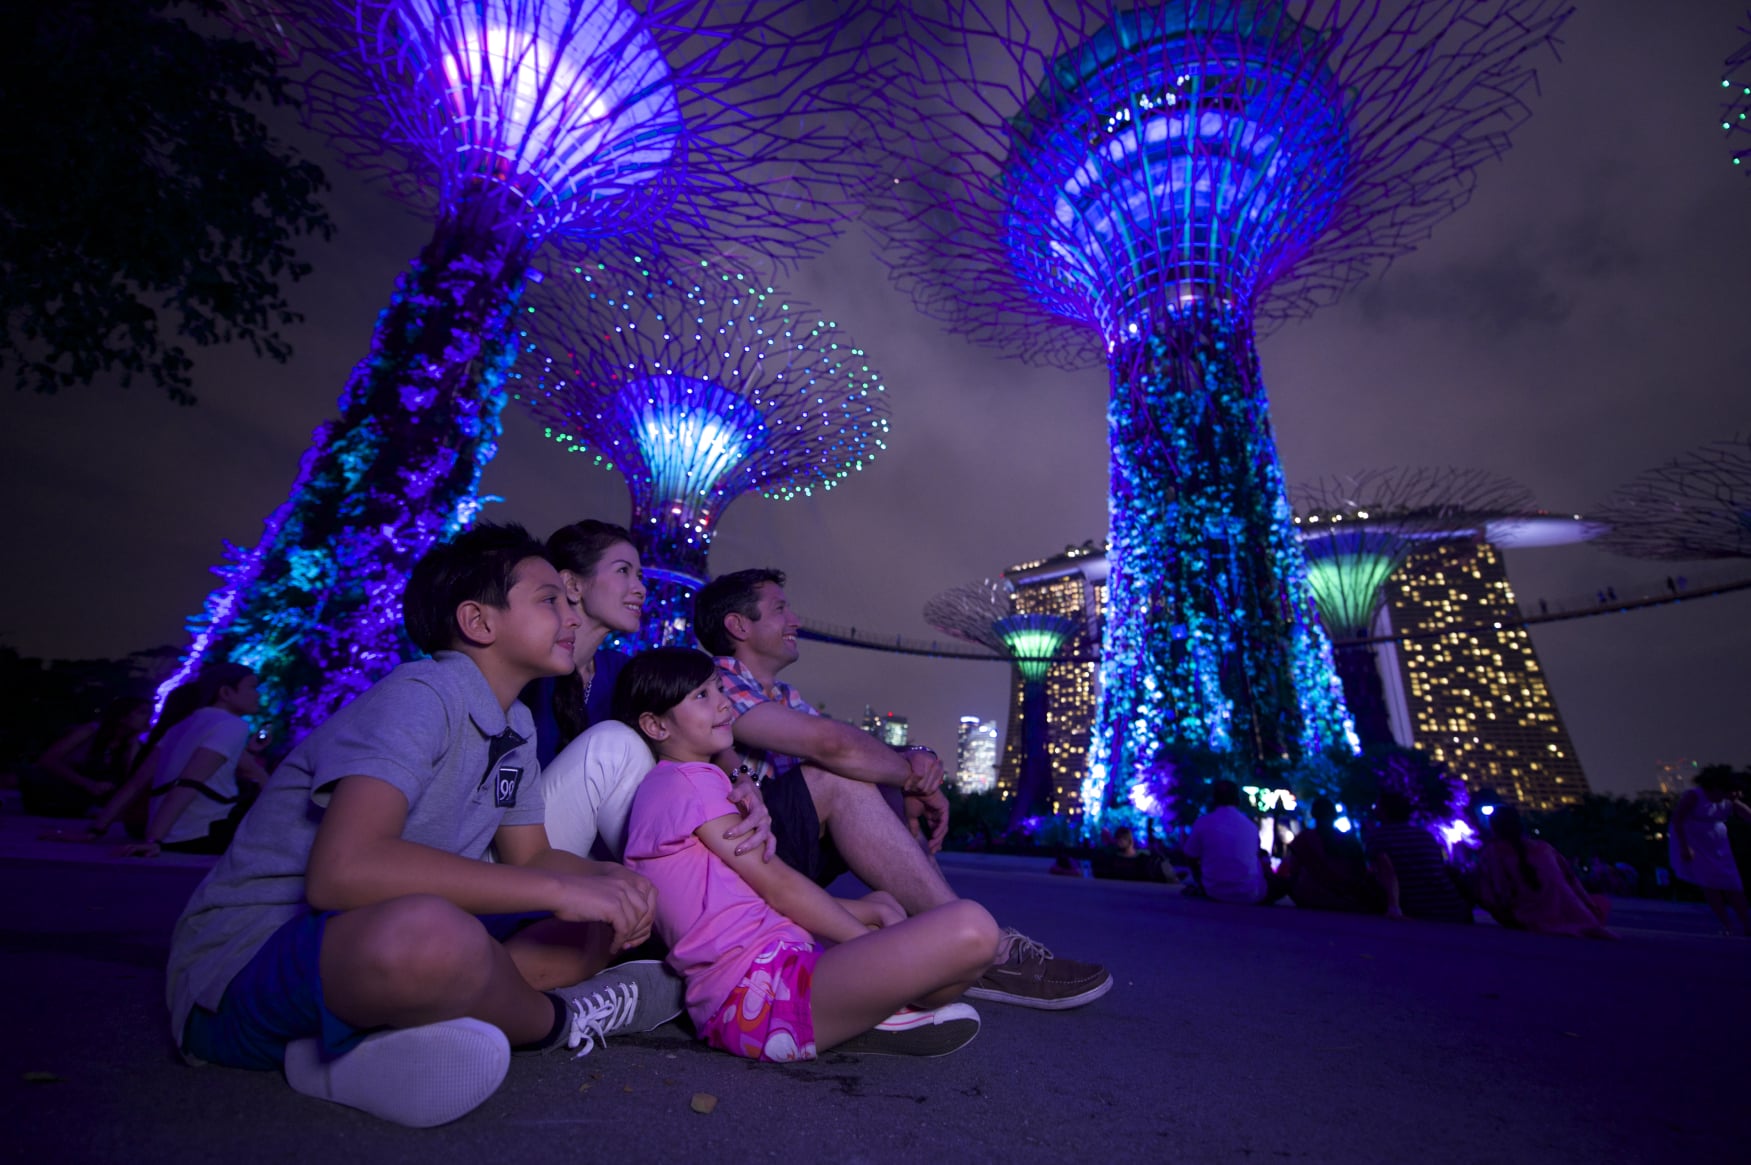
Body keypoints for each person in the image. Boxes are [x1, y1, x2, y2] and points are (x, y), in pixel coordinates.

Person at [164, 523, 682, 1129]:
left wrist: (613, 882)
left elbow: (532, 857)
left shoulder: (512, 724)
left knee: (592, 927)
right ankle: (559, 1020)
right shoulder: (421, 693)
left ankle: (359, 1050)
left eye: (570, 602)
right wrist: (563, 891)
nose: (570, 613)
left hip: (365, 950)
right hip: (244, 969)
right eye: (549, 600)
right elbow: (342, 874)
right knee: (436, 936)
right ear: (479, 622)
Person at [698, 568, 1112, 1010]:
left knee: (882, 785)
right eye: (781, 609)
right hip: (737, 853)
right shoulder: (714, 682)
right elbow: (833, 746)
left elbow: (854, 750)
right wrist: (909, 770)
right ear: (739, 626)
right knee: (841, 776)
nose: (795, 619)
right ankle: (986, 951)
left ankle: (946, 945)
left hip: (778, 847)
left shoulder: (781, 694)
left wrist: (912, 762)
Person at [619, 647, 999, 1060]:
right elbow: (778, 886)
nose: (723, 702)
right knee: (973, 929)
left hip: (772, 971)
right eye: (701, 696)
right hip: (758, 998)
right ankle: (870, 1012)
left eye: (717, 690)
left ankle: (863, 1014)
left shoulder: (688, 781)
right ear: (655, 725)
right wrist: (867, 945)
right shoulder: (691, 786)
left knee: (884, 905)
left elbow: (743, 901)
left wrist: (871, 923)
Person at [537, 520, 771, 867]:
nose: (640, 589)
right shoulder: (533, 667)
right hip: (525, 845)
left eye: (640, 577)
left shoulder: (618, 669)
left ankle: (712, 887)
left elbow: (689, 728)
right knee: (620, 742)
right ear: (572, 584)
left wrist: (742, 781)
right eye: (623, 572)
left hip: (587, 849)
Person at [129, 664, 266, 856]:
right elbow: (189, 782)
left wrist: (98, 829)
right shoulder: (232, 725)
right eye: (252, 687)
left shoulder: (180, 726)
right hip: (201, 833)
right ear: (226, 692)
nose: (258, 695)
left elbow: (136, 783)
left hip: (172, 833)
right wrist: (154, 840)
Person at [1476, 806, 1614, 939]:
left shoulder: (1493, 852)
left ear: (1494, 827)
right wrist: (1587, 907)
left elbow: (1493, 892)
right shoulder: (1544, 848)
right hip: (1568, 911)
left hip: (1522, 916)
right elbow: (1572, 881)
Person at [23, 696, 150, 818]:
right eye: (142, 712)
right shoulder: (91, 731)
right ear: (123, 716)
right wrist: (87, 784)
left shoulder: (131, 743)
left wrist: (134, 744)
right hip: (66, 784)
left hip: (96, 792)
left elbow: (131, 777)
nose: (148, 718)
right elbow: (48, 760)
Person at [1364, 792, 1472, 924]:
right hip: (1450, 906)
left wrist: (1394, 906)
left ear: (1383, 812)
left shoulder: (1378, 837)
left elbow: (1387, 871)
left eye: (1376, 806)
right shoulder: (1425, 835)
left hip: (1414, 909)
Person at [1668, 766, 1751, 935]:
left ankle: (1747, 924)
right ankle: (1727, 925)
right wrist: (1685, 847)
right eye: (1734, 791)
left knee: (1733, 884)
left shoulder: (1729, 800)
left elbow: (1746, 814)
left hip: (1717, 842)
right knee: (1710, 884)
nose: (1737, 795)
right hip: (1694, 840)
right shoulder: (1694, 796)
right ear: (1718, 788)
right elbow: (1677, 820)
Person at [1183, 780, 1283, 905]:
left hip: (1213, 890)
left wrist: (1201, 880)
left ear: (1214, 799)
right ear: (1238, 800)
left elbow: (1190, 856)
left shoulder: (1203, 822)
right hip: (1250, 892)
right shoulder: (1250, 826)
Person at [1279, 797, 1383, 914]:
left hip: (1310, 896)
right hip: (1347, 896)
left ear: (1313, 814)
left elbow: (1293, 871)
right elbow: (1360, 871)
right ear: (1334, 815)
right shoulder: (1349, 840)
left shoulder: (1303, 839)